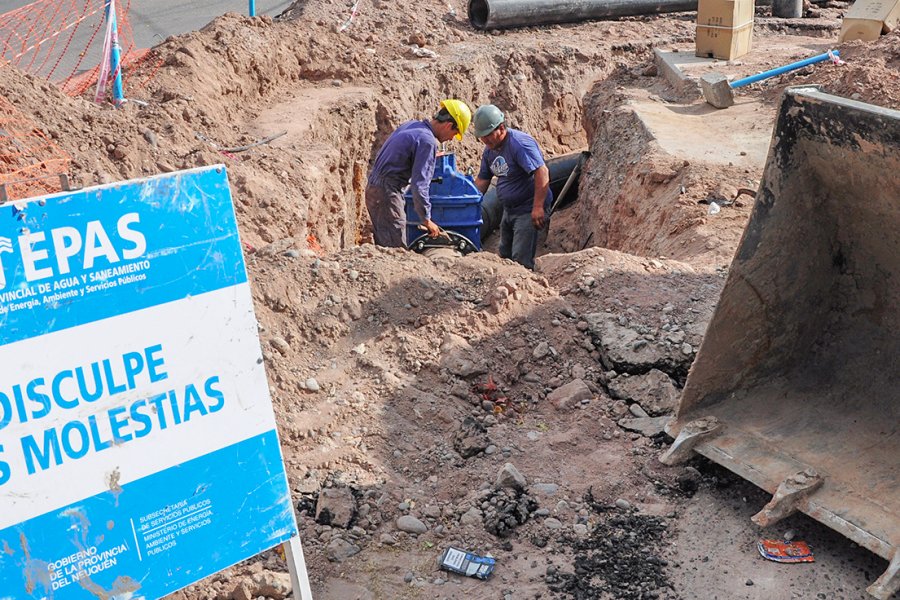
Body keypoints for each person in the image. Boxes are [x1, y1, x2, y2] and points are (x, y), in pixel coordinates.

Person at [365, 99, 472, 248]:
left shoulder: (413, 126)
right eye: (455, 133)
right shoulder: (427, 141)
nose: (451, 138)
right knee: (396, 250)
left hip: (375, 188)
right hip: (387, 194)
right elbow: (419, 185)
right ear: (448, 125)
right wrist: (426, 219)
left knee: (385, 245)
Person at [472, 104, 552, 270]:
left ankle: (526, 291)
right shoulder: (490, 151)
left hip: (528, 208)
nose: (485, 141)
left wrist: (538, 207)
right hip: (509, 209)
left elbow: (542, 172)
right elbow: (482, 179)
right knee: (505, 254)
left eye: (487, 136)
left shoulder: (519, 144)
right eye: (482, 137)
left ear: (501, 128)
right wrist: (469, 203)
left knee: (520, 258)